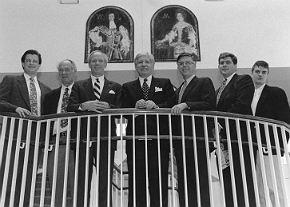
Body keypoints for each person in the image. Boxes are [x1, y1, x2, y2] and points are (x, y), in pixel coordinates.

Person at [67, 50, 121, 206]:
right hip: (83, 139)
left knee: (105, 179)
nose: (97, 63)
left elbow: (122, 109)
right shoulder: (78, 85)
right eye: (93, 61)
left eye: (100, 61)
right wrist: (83, 106)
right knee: (82, 179)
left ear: (105, 64)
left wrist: (110, 107)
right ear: (89, 64)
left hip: (106, 139)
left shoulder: (116, 86)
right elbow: (70, 106)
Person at [121, 52, 176, 207]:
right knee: (136, 182)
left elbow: (172, 103)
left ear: (153, 65)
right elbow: (122, 109)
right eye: (139, 62)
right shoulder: (127, 86)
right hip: (135, 141)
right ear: (135, 66)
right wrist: (134, 108)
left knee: (159, 181)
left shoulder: (165, 83)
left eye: (147, 62)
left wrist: (157, 107)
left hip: (159, 141)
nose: (143, 64)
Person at [0, 49, 51, 207]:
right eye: (28, 60)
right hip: (15, 136)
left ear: (39, 65)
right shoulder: (11, 80)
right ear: (23, 63)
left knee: (29, 178)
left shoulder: (46, 89)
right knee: (9, 176)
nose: (31, 63)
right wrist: (15, 109)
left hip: (36, 140)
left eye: (34, 61)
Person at [171, 53, 216, 206]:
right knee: (184, 181)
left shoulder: (204, 82)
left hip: (198, 140)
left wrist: (186, 105)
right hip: (181, 142)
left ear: (194, 65)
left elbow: (209, 103)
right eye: (181, 64)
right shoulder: (179, 89)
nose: (185, 66)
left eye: (188, 63)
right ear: (178, 67)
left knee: (200, 180)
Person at [215, 52, 256, 206]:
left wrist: (219, 122)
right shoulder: (219, 89)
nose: (224, 65)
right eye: (221, 63)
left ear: (235, 65)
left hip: (240, 137)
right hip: (224, 140)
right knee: (227, 178)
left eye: (227, 62)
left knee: (243, 178)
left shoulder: (243, 80)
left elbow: (241, 104)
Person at [251, 60, 290, 206]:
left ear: (268, 74)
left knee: (274, 186)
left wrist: (279, 145)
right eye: (257, 71)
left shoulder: (275, 92)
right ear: (252, 73)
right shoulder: (248, 94)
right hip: (252, 146)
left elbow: (285, 120)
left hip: (270, 145)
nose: (260, 75)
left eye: (264, 72)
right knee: (259, 188)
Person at [43, 59, 77, 206]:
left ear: (74, 72)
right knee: (56, 185)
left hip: (76, 144)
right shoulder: (50, 95)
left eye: (67, 69)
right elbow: (45, 122)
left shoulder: (83, 91)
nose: (64, 72)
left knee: (77, 185)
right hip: (57, 143)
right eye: (61, 70)